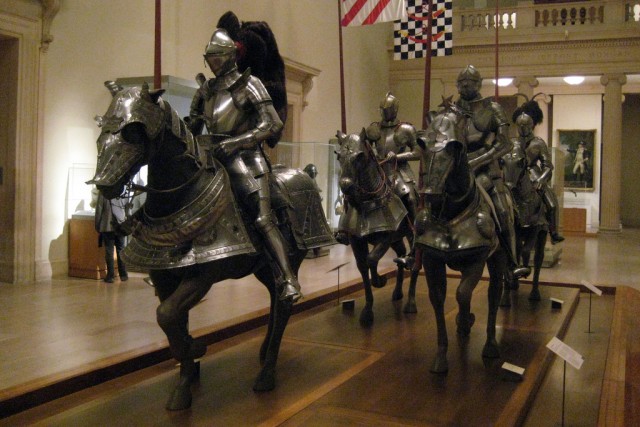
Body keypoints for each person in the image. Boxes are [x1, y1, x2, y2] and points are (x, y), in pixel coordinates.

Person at [187, 28, 301, 302]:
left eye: (218, 56)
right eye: (210, 57)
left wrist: (238, 142)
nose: (214, 62)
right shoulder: (205, 90)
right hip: (211, 159)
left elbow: (272, 123)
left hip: (247, 161)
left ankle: (288, 278)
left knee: (262, 218)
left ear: (231, 56)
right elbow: (194, 126)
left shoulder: (250, 85)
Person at [454, 65, 530, 279]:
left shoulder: (493, 109)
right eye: (461, 83)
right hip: (456, 172)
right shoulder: (451, 112)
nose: (465, 86)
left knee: (503, 211)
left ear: (479, 84)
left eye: (469, 82)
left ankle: (512, 262)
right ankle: (422, 248)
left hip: (486, 172)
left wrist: (477, 161)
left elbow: (505, 144)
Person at [512, 101, 565, 244]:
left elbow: (548, 165)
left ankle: (553, 232)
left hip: (534, 175)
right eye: (520, 125)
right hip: (515, 176)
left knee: (551, 204)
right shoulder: (512, 143)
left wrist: (541, 180)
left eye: (525, 125)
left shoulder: (538, 142)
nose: (522, 128)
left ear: (532, 126)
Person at [92, 188, 128, 283]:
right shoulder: (123, 190)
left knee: (109, 250)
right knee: (121, 250)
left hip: (107, 225)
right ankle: (123, 274)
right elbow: (128, 208)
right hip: (121, 225)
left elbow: (99, 209)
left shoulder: (104, 191)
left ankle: (110, 276)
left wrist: (97, 225)